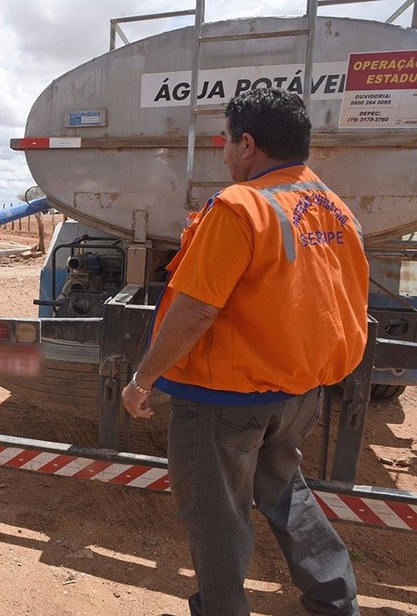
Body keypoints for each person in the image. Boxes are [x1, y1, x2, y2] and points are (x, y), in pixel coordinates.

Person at [121, 88, 368, 616]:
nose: (225, 151)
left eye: (227, 140)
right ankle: (335, 600)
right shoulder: (334, 207)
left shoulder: (241, 207)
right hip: (299, 391)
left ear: (248, 144)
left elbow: (195, 311)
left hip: (225, 399)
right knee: (284, 489)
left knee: (216, 514)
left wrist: (143, 380)